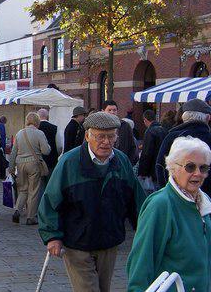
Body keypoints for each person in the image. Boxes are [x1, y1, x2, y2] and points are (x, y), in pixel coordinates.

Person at [38, 112, 146, 292]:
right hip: (77, 242)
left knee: (103, 289)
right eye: (100, 136)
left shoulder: (121, 161)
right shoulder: (69, 162)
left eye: (111, 136)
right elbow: (50, 200)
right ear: (87, 136)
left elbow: (136, 200)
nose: (106, 142)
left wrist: (146, 228)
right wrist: (52, 236)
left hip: (108, 241)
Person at [126, 137, 211, 291]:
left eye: (203, 168)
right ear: (173, 167)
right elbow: (142, 259)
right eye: (190, 167)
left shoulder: (205, 203)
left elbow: (209, 255)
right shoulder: (161, 204)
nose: (198, 173)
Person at [155, 98, 211, 203]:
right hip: (207, 210)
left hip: (176, 205)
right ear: (208, 118)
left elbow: (160, 169)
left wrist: (172, 197)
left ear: (183, 117)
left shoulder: (172, 139)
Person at [8, 112, 51, 225]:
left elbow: (13, 152)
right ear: (37, 121)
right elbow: (46, 151)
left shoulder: (19, 133)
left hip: (20, 164)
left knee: (22, 189)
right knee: (33, 191)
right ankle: (30, 217)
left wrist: (11, 167)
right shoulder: (39, 133)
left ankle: (17, 210)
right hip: (33, 164)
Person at [137, 109, 167, 193]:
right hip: (162, 170)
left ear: (145, 120)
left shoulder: (150, 132)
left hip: (152, 173)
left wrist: (142, 172)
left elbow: (146, 154)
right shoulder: (164, 130)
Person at [103, 100, 137, 165]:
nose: (112, 112)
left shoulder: (125, 126)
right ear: (103, 111)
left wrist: (128, 163)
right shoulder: (99, 126)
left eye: (114, 110)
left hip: (121, 163)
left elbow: (132, 147)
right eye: (109, 110)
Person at [37, 108, 59, 176]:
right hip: (52, 160)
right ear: (47, 116)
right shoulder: (55, 128)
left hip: (38, 161)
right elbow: (59, 146)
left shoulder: (35, 129)